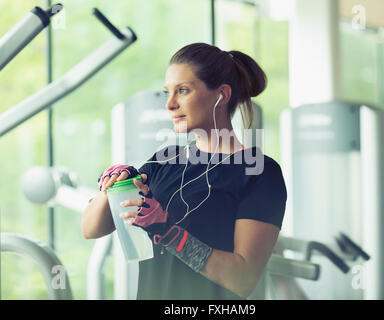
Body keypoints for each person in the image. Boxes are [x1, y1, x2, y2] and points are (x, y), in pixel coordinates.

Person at [81, 43, 287, 300]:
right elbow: (91, 229)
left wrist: (167, 231)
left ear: (221, 95)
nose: (170, 104)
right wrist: (110, 186)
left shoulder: (260, 173)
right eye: (167, 92)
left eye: (183, 91)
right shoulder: (163, 161)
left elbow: (242, 279)